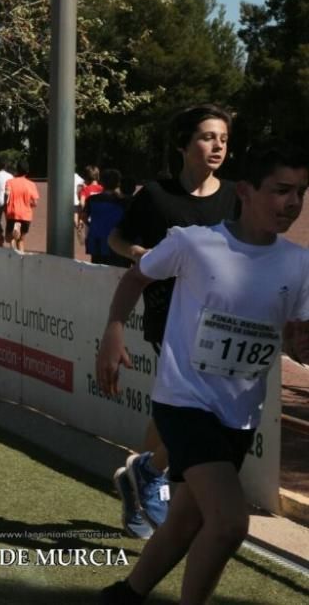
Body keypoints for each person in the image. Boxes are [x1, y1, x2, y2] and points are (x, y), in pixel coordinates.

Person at [97, 141, 309, 605]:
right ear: (246, 191)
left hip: (239, 415)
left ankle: (124, 594)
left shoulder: (299, 263)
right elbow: (136, 276)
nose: (292, 203)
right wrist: (114, 332)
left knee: (186, 521)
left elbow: (300, 337)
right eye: (281, 190)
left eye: (301, 192)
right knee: (231, 522)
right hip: (184, 403)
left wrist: (300, 345)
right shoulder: (194, 242)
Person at [107, 104, 238, 540]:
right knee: (191, 413)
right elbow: (117, 238)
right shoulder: (156, 197)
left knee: (180, 414)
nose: (217, 145)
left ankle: (142, 475)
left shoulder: (237, 197)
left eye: (222, 137)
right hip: (171, 320)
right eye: (206, 137)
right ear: (183, 145)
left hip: (225, 324)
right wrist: (138, 255)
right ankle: (151, 477)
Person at [83, 169, 130, 267]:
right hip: (117, 242)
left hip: (97, 242)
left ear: (101, 182)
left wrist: (91, 225)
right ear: (118, 183)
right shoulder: (124, 202)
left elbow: (84, 217)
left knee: (97, 271)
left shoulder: (91, 200)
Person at [3, 158, 39, 253]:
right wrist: (27, 203)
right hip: (26, 216)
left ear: (17, 169)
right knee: (21, 241)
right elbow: (35, 203)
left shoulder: (10, 182)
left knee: (8, 239)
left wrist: (5, 205)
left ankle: (14, 236)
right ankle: (22, 258)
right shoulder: (31, 185)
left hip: (12, 213)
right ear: (27, 171)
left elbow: (6, 195)